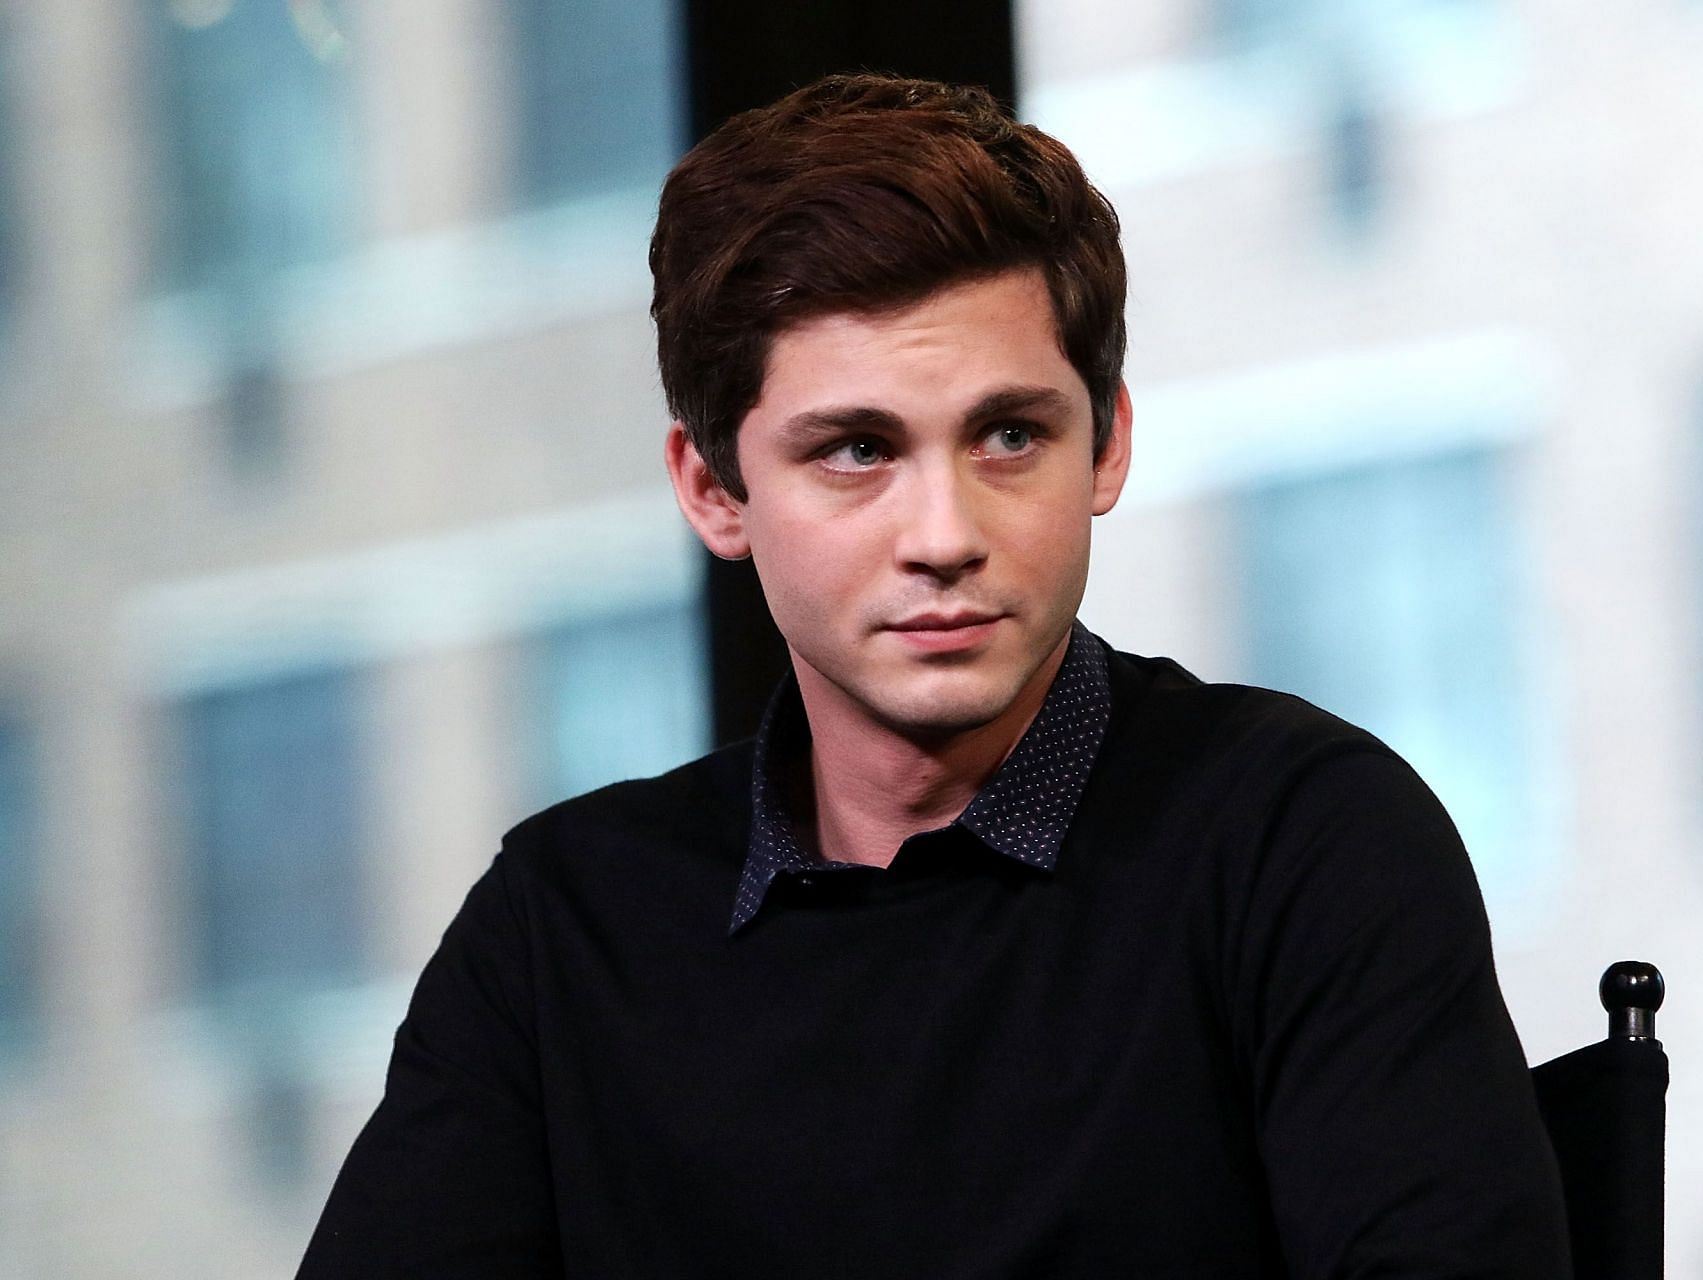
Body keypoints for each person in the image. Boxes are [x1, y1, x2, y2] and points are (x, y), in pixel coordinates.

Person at [299, 73, 1572, 1277]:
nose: (945, 532)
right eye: (857, 450)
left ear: (1108, 443)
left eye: (1010, 434)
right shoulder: (563, 927)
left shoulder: (1304, 840)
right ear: (714, 490)